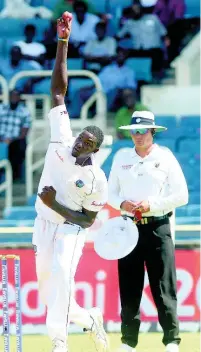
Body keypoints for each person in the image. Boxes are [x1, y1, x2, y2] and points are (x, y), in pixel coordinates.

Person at [32, 12, 109, 352]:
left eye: (86, 144)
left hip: (70, 229)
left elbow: (88, 220)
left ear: (95, 149)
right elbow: (59, 92)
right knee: (48, 289)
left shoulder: (95, 179)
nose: (78, 143)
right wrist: (63, 42)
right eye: (79, 138)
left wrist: (56, 205)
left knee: (63, 275)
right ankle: (89, 320)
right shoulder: (61, 141)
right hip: (42, 222)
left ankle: (59, 343)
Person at [108, 111, 188, 352]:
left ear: (153, 131)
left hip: (158, 226)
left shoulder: (165, 157)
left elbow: (181, 195)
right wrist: (122, 204)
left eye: (142, 131)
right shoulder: (121, 156)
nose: (138, 136)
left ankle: (172, 341)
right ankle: (128, 342)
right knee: (129, 287)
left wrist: (151, 204)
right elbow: (111, 193)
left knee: (164, 286)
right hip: (129, 228)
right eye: (134, 131)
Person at [71, 47, 136, 118]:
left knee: (113, 93)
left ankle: (98, 116)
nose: (120, 57)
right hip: (98, 91)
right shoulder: (108, 68)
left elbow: (131, 87)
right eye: (119, 55)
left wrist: (119, 91)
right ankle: (76, 115)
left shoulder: (129, 71)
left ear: (126, 57)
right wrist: (89, 87)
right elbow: (97, 80)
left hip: (113, 94)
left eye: (122, 55)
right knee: (80, 92)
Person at [0, 89, 31, 180]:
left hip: (15, 140)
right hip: (1, 138)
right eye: (12, 96)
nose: (14, 98)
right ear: (9, 97)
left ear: (19, 98)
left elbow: (24, 132)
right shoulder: (1, 108)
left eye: (16, 96)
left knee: (20, 145)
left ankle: (14, 176)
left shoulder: (25, 111)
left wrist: (11, 140)